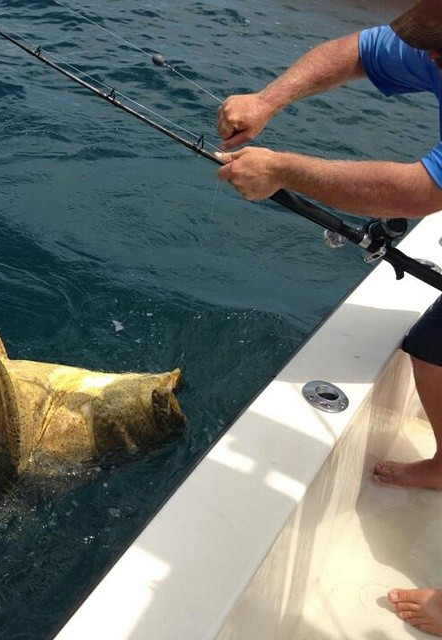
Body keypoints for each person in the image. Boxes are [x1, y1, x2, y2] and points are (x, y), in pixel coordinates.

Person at [215, 0, 442, 635]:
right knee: (432, 345)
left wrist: (284, 170)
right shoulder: (433, 44)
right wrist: (268, 99)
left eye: (438, 50)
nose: (425, 58)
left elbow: (417, 193)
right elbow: (360, 52)